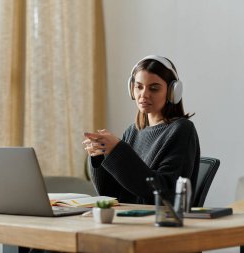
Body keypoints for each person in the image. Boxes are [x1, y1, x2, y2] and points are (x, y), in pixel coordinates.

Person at [82, 55, 200, 205]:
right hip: (130, 219)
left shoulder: (182, 130)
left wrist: (118, 150)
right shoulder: (133, 131)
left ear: (173, 91)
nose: (144, 95)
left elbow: (166, 194)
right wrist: (99, 158)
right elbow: (111, 193)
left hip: (160, 223)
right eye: (139, 87)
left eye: (154, 88)